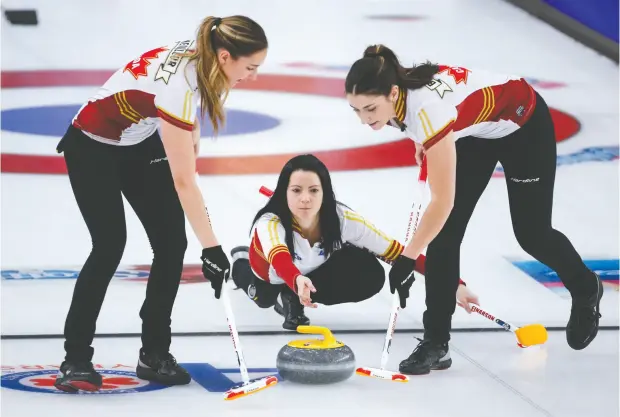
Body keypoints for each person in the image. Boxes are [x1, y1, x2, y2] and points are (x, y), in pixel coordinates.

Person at [344, 44, 604, 375]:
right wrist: (427, 142)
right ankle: (436, 342)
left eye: (370, 109)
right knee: (445, 235)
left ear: (392, 93)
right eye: (355, 110)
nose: (365, 120)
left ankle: (586, 288)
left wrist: (407, 257)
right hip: (478, 130)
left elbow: (442, 201)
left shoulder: (427, 111)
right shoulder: (399, 93)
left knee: (532, 234)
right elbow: (444, 113)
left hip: (523, 125)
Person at [53, 15, 268, 393]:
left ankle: (154, 353)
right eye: (250, 67)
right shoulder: (181, 87)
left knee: (171, 244)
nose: (252, 76)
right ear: (224, 56)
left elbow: (177, 100)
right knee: (108, 247)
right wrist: (213, 249)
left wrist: (193, 130)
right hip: (90, 146)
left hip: (137, 141)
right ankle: (76, 359)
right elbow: (184, 181)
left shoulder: (200, 56)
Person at [228, 154, 477, 330]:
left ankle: (294, 296)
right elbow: (279, 257)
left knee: (370, 273)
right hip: (272, 274)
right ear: (284, 192)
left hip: (310, 274)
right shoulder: (269, 223)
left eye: (314, 190)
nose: (305, 198)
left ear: (325, 193)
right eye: (296, 191)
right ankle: (240, 262)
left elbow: (400, 254)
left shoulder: (342, 219)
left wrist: (454, 284)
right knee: (262, 299)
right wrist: (294, 280)